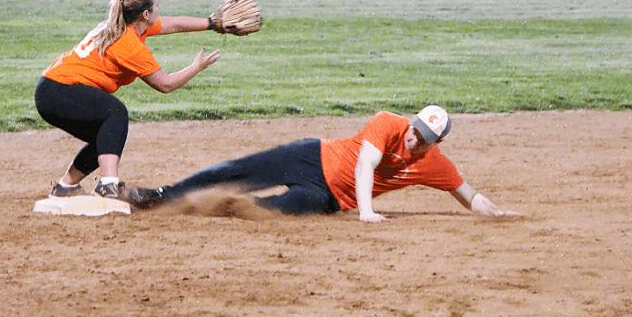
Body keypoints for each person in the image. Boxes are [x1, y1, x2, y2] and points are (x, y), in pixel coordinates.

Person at [125, 105, 521, 221]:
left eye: (424, 138)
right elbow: (366, 164)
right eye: (416, 129)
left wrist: (498, 213)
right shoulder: (389, 123)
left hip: (328, 198)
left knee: (267, 211)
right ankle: (161, 195)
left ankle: (198, 209)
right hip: (311, 156)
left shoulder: (434, 163)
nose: (415, 137)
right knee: (236, 170)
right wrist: (367, 211)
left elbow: (468, 195)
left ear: (436, 143)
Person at [35, 0, 230, 200]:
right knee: (115, 112)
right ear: (145, 14)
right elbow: (165, 84)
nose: (159, 9)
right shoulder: (128, 44)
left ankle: (65, 186)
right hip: (60, 90)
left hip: (50, 89)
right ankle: (108, 185)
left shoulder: (125, 25)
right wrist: (196, 67)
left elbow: (173, 24)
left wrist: (211, 23)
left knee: (106, 136)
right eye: (157, 5)